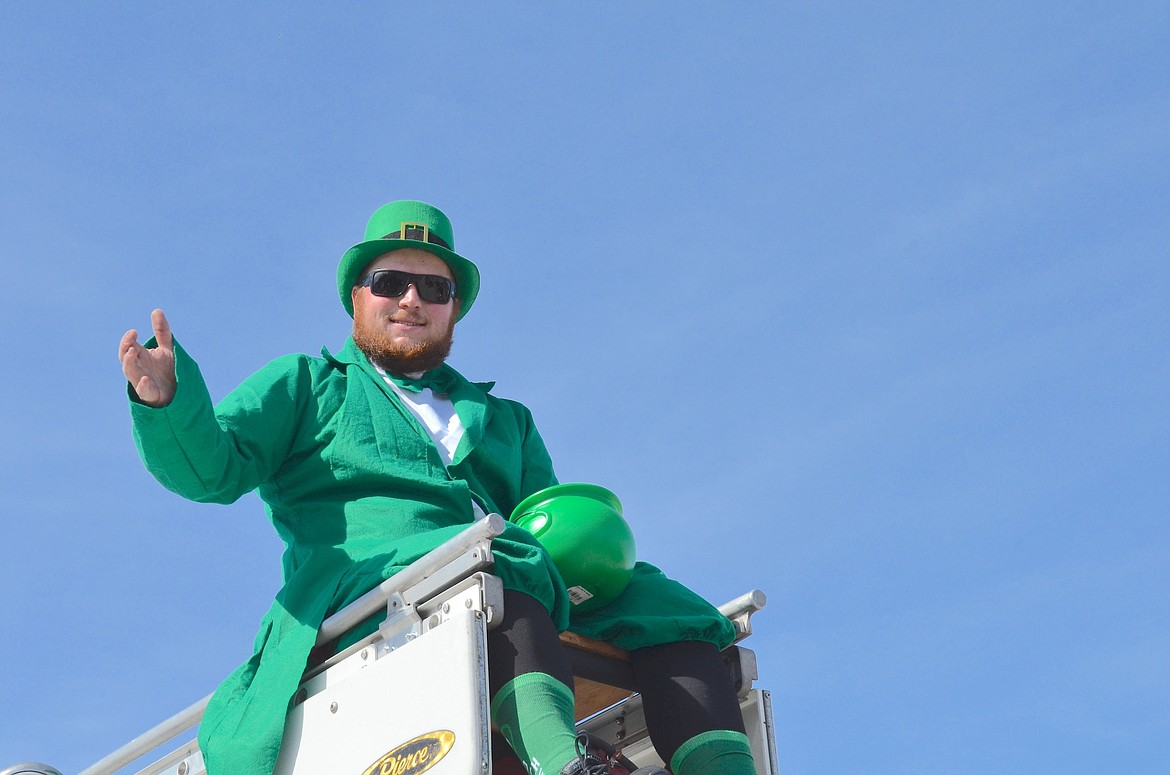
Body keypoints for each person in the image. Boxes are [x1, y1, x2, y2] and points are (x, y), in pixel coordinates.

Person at [120, 200, 756, 775]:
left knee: (669, 606)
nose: (410, 300)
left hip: (503, 565)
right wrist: (168, 402)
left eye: (433, 287)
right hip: (367, 582)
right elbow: (213, 469)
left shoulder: (507, 420)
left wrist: (587, 540)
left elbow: (542, 522)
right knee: (501, 563)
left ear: (452, 307)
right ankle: (565, 766)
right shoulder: (308, 384)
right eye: (390, 283)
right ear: (356, 297)